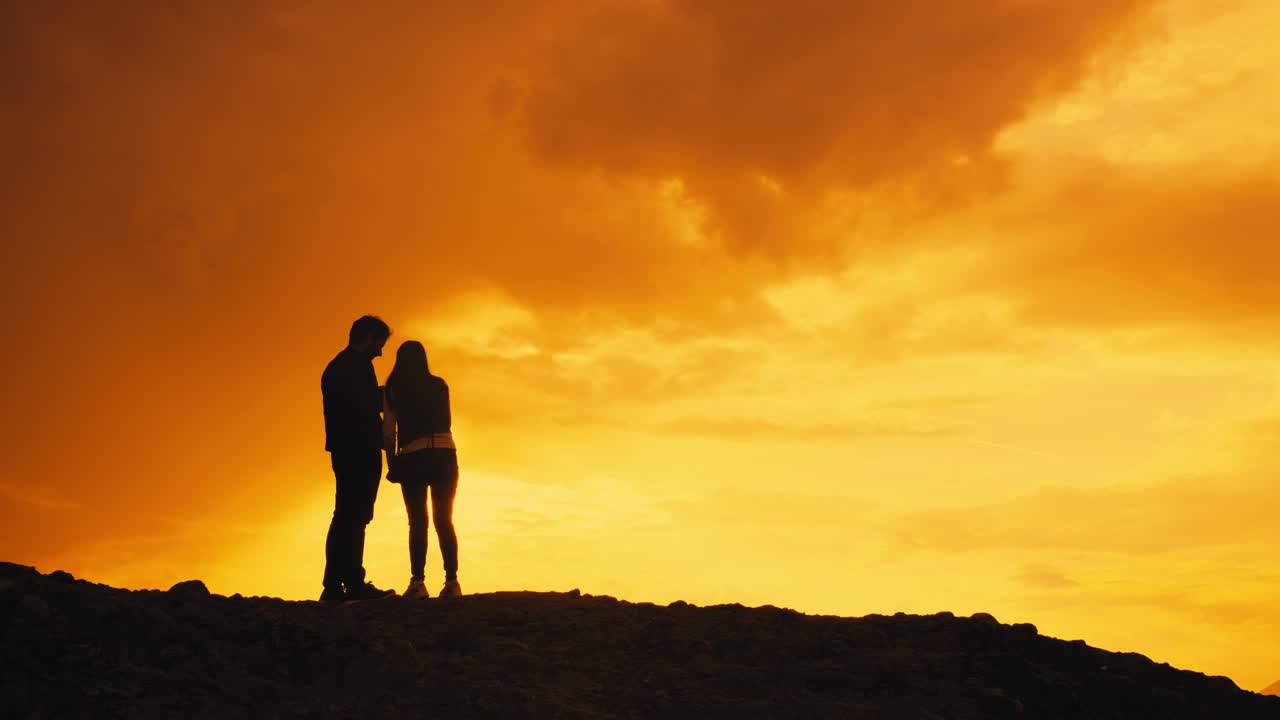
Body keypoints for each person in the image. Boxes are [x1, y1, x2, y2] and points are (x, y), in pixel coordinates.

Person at [320, 315, 397, 602]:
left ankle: (334, 583)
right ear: (368, 338)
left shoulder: (337, 367)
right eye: (379, 344)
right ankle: (352, 582)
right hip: (360, 450)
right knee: (356, 515)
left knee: (345, 515)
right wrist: (392, 396)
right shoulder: (356, 367)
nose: (380, 351)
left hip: (344, 449)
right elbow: (365, 407)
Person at [382, 340, 462, 600]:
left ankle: (418, 582)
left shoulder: (393, 389)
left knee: (418, 521)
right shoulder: (440, 385)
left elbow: (388, 430)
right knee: (444, 520)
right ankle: (452, 581)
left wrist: (392, 461)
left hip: (413, 456)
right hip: (444, 454)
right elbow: (447, 420)